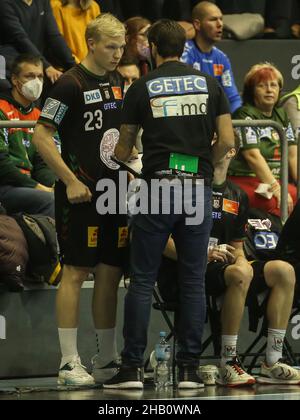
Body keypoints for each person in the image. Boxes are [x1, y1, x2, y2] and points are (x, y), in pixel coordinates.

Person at [104, 19, 235, 390]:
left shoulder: (142, 87)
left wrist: (121, 157)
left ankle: (131, 369)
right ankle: (190, 371)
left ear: (154, 49)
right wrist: (201, 163)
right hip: (197, 189)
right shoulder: (209, 84)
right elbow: (226, 140)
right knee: (193, 279)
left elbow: (126, 148)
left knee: (142, 279)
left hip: (157, 188)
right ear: (183, 47)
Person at [32, 13, 128, 386]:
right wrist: (69, 180)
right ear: (91, 43)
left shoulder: (119, 80)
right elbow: (42, 136)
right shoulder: (69, 84)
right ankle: (69, 362)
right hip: (80, 194)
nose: (117, 53)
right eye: (110, 46)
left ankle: (106, 356)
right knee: (75, 273)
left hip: (115, 192)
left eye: (121, 46)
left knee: (110, 273)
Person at [161, 139, 300, 386]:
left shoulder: (237, 194)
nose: (211, 144)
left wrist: (241, 260)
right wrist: (200, 254)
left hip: (227, 265)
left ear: (232, 151)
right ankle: (229, 362)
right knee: (239, 274)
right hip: (190, 267)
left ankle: (272, 361)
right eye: (209, 140)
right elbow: (162, 242)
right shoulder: (182, 187)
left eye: (217, 141)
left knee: (283, 271)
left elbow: (238, 247)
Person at [228, 62, 298, 217]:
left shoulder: (282, 115)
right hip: (244, 178)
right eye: (262, 85)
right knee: (275, 202)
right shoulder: (244, 114)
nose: (269, 90)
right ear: (252, 91)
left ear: (279, 90)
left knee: (295, 194)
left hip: (276, 181)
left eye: (273, 85)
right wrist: (277, 189)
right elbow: (252, 156)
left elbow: (293, 155)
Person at [0, 54, 55, 216]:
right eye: (29, 76)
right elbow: (2, 165)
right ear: (15, 80)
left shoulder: (39, 115)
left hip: (28, 184)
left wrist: (54, 184)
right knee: (50, 200)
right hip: (6, 186)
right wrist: (37, 187)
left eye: (39, 76)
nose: (36, 82)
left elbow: (41, 163)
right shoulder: (1, 109)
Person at [181, 1, 241, 113]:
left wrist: (239, 119)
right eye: (213, 19)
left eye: (221, 19)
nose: (220, 24)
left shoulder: (222, 58)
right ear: (197, 24)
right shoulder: (185, 52)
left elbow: (233, 98)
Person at [0, 0, 75, 84]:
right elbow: (20, 38)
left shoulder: (43, 2)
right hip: (12, 65)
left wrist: (74, 67)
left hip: (36, 62)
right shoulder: (4, 3)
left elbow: (54, 36)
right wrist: (46, 66)